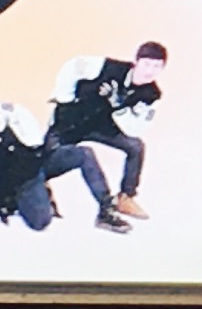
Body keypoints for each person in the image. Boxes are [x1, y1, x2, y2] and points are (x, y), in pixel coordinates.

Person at [0, 88, 127, 234]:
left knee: (84, 154)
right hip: (21, 182)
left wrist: (33, 141)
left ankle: (106, 210)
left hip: (35, 159)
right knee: (40, 223)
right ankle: (40, 196)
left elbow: (21, 113)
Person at [46, 42, 167, 219]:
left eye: (157, 66)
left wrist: (120, 107)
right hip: (70, 121)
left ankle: (125, 198)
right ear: (136, 62)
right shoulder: (107, 66)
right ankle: (41, 195)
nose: (150, 71)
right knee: (44, 159)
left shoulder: (151, 95)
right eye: (147, 64)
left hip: (101, 125)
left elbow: (135, 129)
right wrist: (65, 99)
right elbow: (73, 66)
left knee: (135, 147)